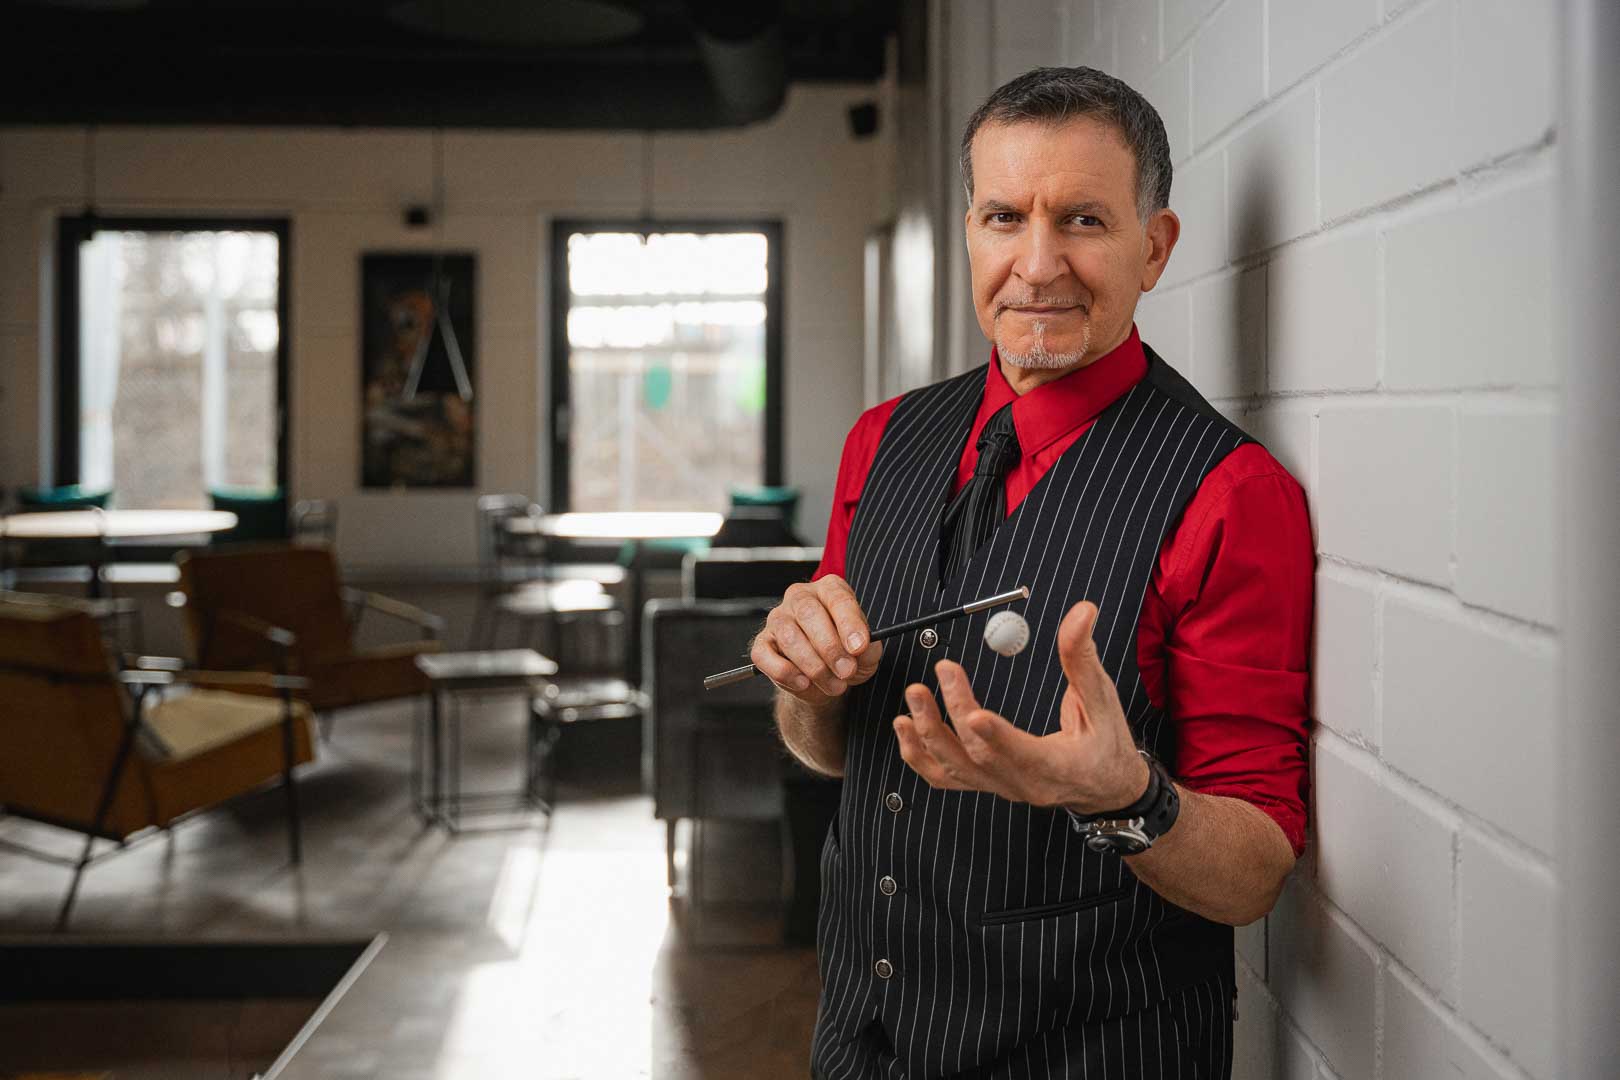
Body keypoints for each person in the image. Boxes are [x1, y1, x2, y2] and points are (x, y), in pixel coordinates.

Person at [751, 66, 1313, 1078]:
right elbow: (835, 751)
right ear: (970, 231)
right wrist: (805, 685)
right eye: (1006, 216)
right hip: (858, 1043)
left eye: (1085, 220)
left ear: (1156, 246)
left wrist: (1123, 795)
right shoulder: (883, 441)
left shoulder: (1231, 493)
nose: (1038, 264)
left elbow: (1255, 875)